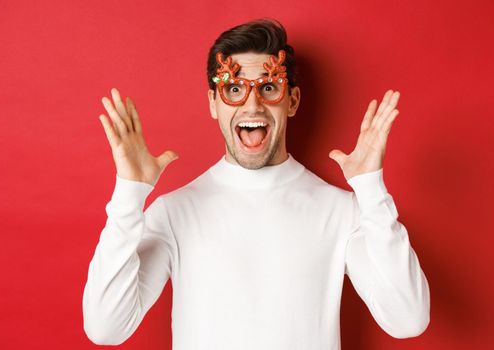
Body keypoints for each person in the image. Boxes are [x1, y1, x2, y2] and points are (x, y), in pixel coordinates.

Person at [83, 18, 430, 349]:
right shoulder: (174, 213)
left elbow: (407, 320)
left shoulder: (343, 212)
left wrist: (371, 189)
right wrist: (130, 194)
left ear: (292, 101)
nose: (252, 104)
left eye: (268, 87)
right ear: (214, 103)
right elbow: (106, 328)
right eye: (234, 88)